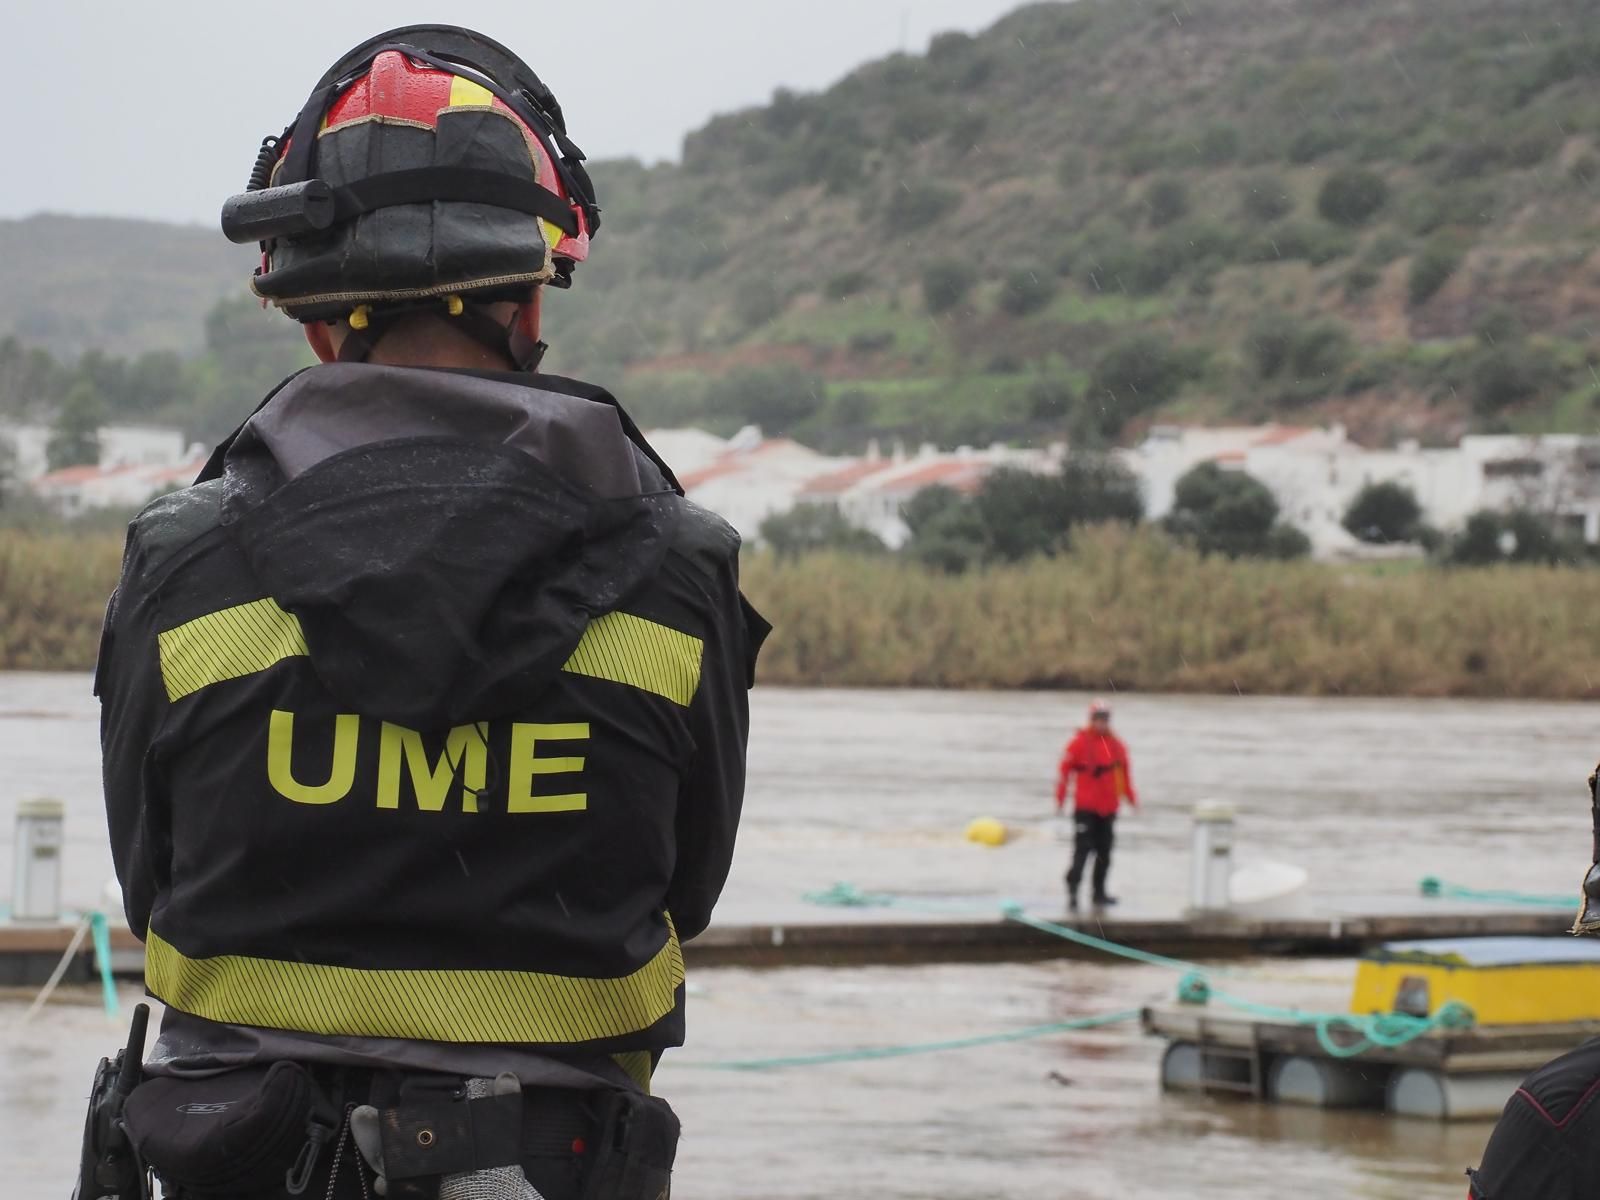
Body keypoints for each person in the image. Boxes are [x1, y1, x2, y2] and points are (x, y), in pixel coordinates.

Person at [94, 26, 767, 1200]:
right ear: (527, 302)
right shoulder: (678, 570)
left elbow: (152, 886)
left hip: (238, 1162)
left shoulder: (180, 562)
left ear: (314, 318)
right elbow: (688, 889)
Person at [1054, 698, 1137, 912]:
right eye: (1098, 718)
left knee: (1104, 852)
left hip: (1108, 808)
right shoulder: (1078, 743)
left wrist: (1131, 798)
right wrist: (1060, 799)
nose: (1101, 723)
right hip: (1085, 808)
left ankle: (1098, 893)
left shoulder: (1117, 746)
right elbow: (1064, 773)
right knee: (1082, 850)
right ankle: (1073, 890)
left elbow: (1124, 774)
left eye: (1105, 719)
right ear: (1091, 719)